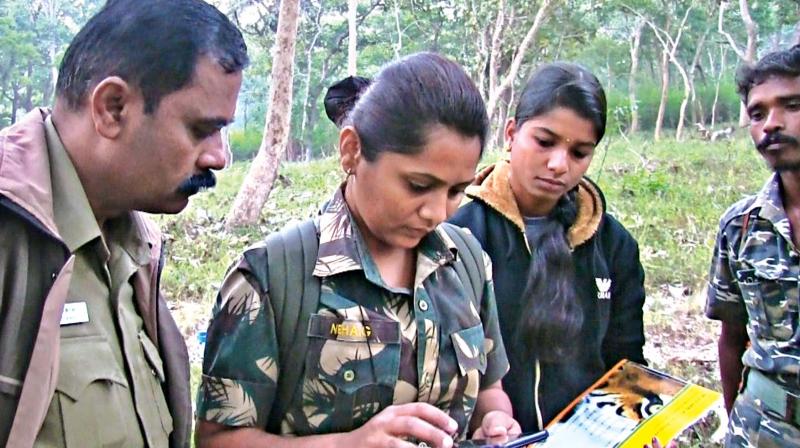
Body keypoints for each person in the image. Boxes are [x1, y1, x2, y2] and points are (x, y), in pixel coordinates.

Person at [195, 52, 519, 448]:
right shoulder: (271, 277)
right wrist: (347, 444)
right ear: (352, 151)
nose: (436, 212)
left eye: (455, 191)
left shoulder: (465, 263)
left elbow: (489, 391)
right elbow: (218, 440)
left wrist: (496, 420)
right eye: (418, 186)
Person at [0, 0, 247, 446]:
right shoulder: (10, 234)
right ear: (113, 108)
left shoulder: (134, 244)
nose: (219, 157)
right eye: (201, 129)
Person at [449, 62, 647, 432]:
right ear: (511, 133)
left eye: (579, 153)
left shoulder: (613, 245)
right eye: (545, 142)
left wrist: (640, 423)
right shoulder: (459, 236)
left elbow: (627, 362)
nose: (559, 164)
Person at [706, 44, 800, 447]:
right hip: (764, 427)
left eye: (792, 105)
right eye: (758, 113)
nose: (771, 124)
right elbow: (732, 335)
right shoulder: (740, 226)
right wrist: (736, 421)